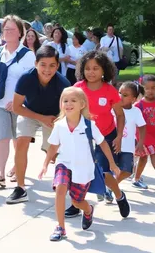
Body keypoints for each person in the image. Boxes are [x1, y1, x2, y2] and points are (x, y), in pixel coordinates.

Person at [38, 86, 120, 241]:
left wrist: (112, 164)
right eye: (65, 100)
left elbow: (102, 143)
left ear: (82, 104)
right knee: (60, 190)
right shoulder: (59, 125)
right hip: (64, 164)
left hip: (83, 168)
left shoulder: (89, 125)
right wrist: (45, 164)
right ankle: (60, 227)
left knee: (76, 201)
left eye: (73, 100)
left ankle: (88, 210)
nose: (68, 104)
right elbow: (54, 146)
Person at [68, 50, 130, 218]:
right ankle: (76, 202)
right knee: (78, 169)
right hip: (83, 136)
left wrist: (118, 136)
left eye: (96, 68)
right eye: (87, 68)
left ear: (104, 70)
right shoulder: (77, 88)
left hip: (106, 135)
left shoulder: (110, 91)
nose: (91, 72)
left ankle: (119, 195)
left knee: (103, 171)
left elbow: (120, 115)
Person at [6, 45, 69, 202]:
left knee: (53, 153)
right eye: (43, 65)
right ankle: (20, 188)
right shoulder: (26, 78)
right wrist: (41, 118)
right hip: (30, 112)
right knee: (21, 143)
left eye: (52, 65)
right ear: (35, 64)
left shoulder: (63, 84)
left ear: (58, 66)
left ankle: (60, 179)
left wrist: (59, 121)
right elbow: (16, 107)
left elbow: (69, 110)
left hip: (54, 117)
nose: (47, 70)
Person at [0, 15, 35, 190]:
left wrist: (16, 101)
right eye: (5, 29)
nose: (7, 32)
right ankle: (0, 174)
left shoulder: (27, 55)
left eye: (11, 29)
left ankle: (17, 167)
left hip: (19, 105)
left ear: (20, 32)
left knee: (18, 140)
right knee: (3, 137)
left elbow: (30, 82)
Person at [114, 82, 146, 184]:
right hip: (113, 145)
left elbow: (142, 127)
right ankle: (108, 188)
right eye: (119, 93)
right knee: (109, 169)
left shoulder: (136, 111)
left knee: (128, 171)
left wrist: (140, 143)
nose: (120, 96)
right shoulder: (113, 109)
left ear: (133, 99)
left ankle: (112, 185)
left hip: (128, 147)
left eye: (125, 95)